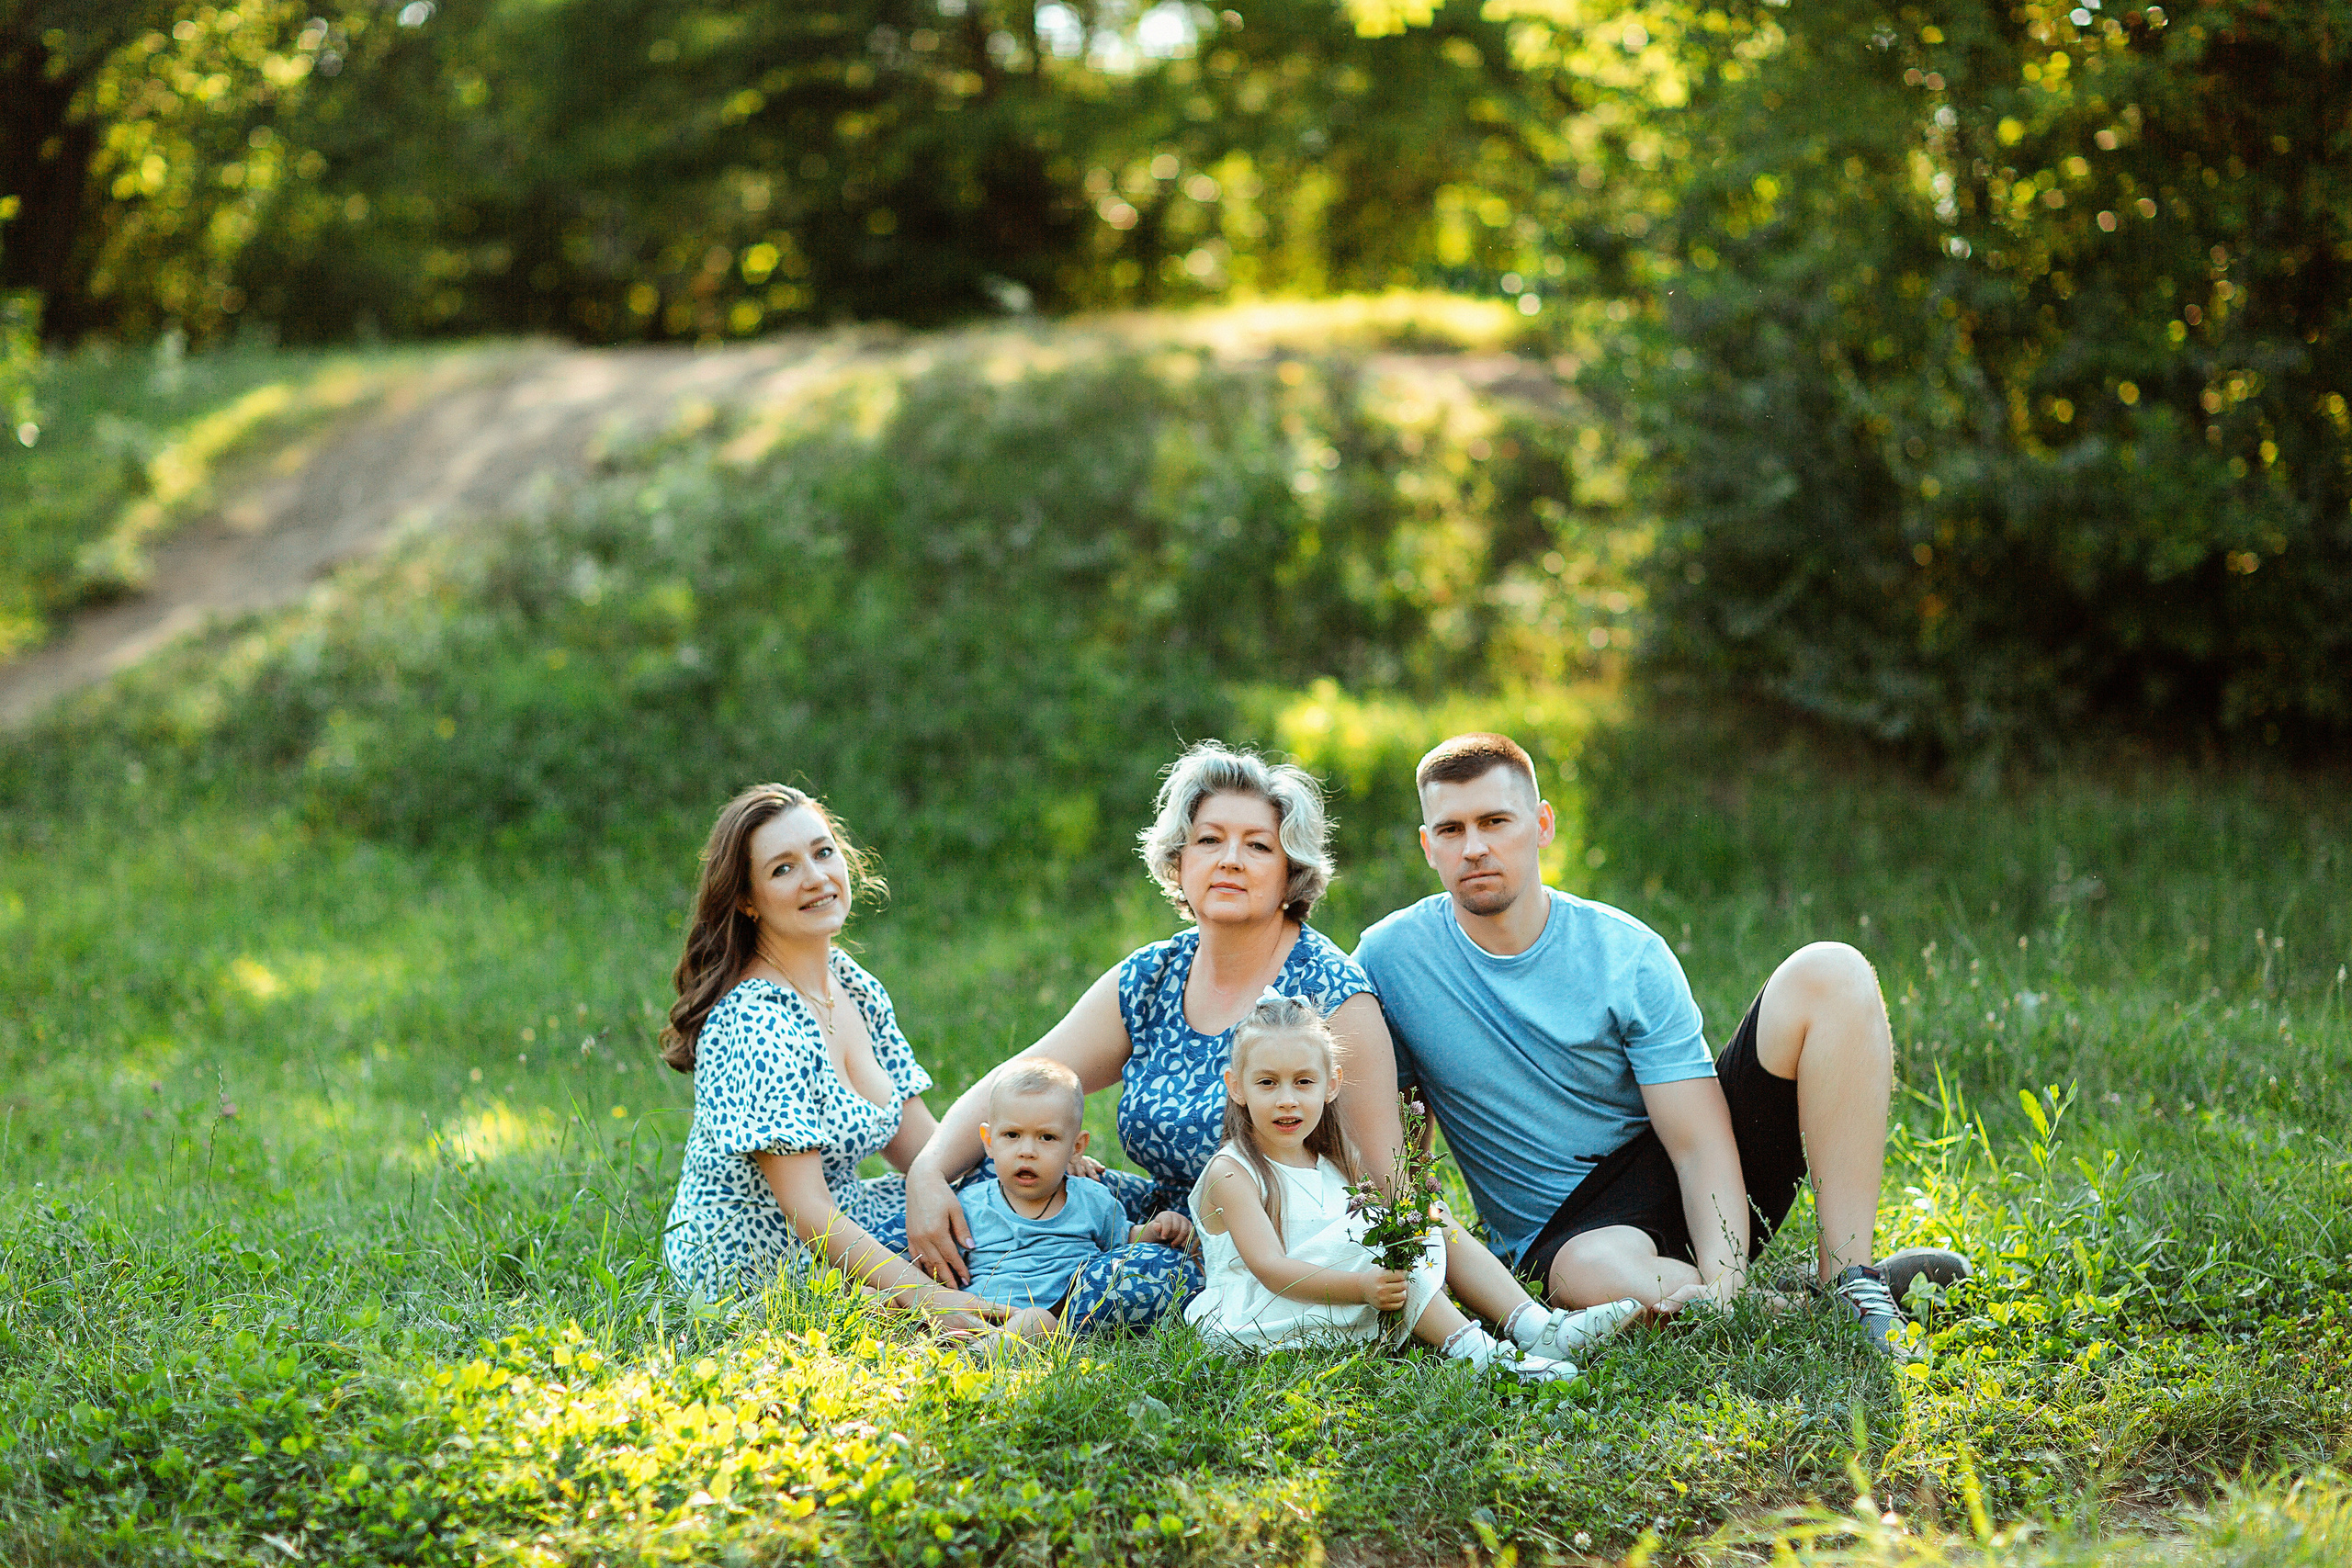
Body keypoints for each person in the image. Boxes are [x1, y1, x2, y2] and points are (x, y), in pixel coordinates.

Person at [1348, 734, 1969, 1356]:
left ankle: (1851, 1280)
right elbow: (1395, 1131)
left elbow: (1698, 1142)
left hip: (1681, 1168)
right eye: (1451, 829)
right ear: (1429, 847)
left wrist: (1723, 1281)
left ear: (1540, 825)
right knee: (1589, 1274)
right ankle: (1796, 1307)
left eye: (1494, 821)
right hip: (1567, 1235)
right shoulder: (1389, 959)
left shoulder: (1626, 952)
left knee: (1832, 970)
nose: (1475, 846)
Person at [903, 740, 1388, 1328]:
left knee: (1129, 1282)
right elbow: (1023, 1081)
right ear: (1178, 861)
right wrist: (927, 1174)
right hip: (1159, 1216)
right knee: (1001, 1170)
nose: (1229, 859)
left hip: (1250, 1250)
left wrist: (1470, 1308)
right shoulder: (1154, 974)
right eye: (1209, 840)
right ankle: (976, 1293)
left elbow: (1385, 1178)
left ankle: (1017, 1318)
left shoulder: (1329, 991)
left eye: (1257, 846)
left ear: (1292, 873)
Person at [659, 783, 1002, 1326]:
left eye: (823, 853)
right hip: (764, 1266)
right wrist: (933, 1302)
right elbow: (808, 1212)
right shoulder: (755, 1021)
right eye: (783, 869)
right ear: (746, 900)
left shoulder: (851, 985)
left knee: (1043, 1202)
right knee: (998, 1239)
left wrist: (1028, 1161)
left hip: (848, 1215)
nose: (817, 878)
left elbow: (925, 1152)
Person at [1186, 995, 1640, 1375]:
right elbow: (1271, 1270)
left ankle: (1537, 1328)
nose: (1287, 1099)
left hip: (1332, 1296)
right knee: (1389, 1236)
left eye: (1303, 1082)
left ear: (1331, 1084)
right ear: (1237, 1086)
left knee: (1422, 1220)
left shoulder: (1329, 1160)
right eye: (1267, 1083)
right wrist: (1362, 1288)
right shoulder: (1234, 1172)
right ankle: (1482, 1357)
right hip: (1264, 1313)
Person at [955, 1058, 1194, 1345]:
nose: (1027, 1151)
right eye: (1012, 1135)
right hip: (980, 1315)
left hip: (1054, 1318)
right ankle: (977, 1349)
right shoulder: (971, 1203)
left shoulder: (1091, 1199)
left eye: (1047, 1137)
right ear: (989, 1140)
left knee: (1036, 1320)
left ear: (1076, 1147)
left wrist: (1159, 1229)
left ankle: (980, 1358)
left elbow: (1124, 1242)